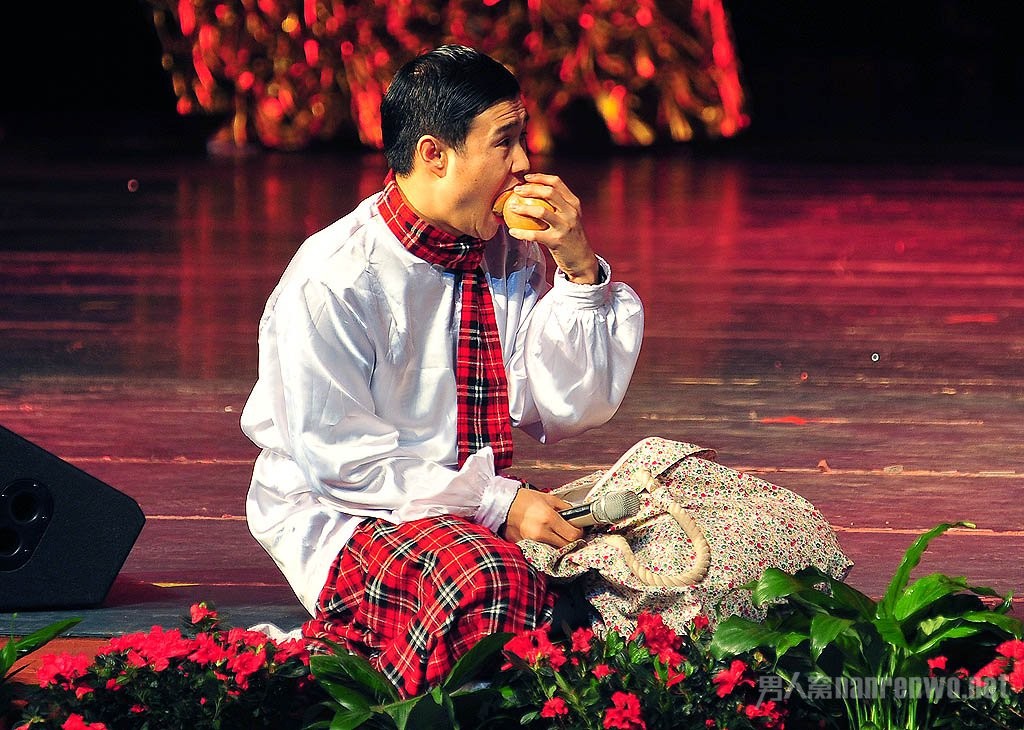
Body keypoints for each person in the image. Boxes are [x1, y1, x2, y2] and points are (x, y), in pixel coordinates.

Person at [240, 44, 644, 697]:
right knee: (488, 585)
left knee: (664, 519)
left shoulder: (508, 251)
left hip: (470, 502)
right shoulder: (334, 277)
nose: (524, 164)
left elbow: (565, 405)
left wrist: (577, 267)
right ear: (435, 154)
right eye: (505, 143)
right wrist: (499, 502)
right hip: (349, 512)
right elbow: (341, 463)